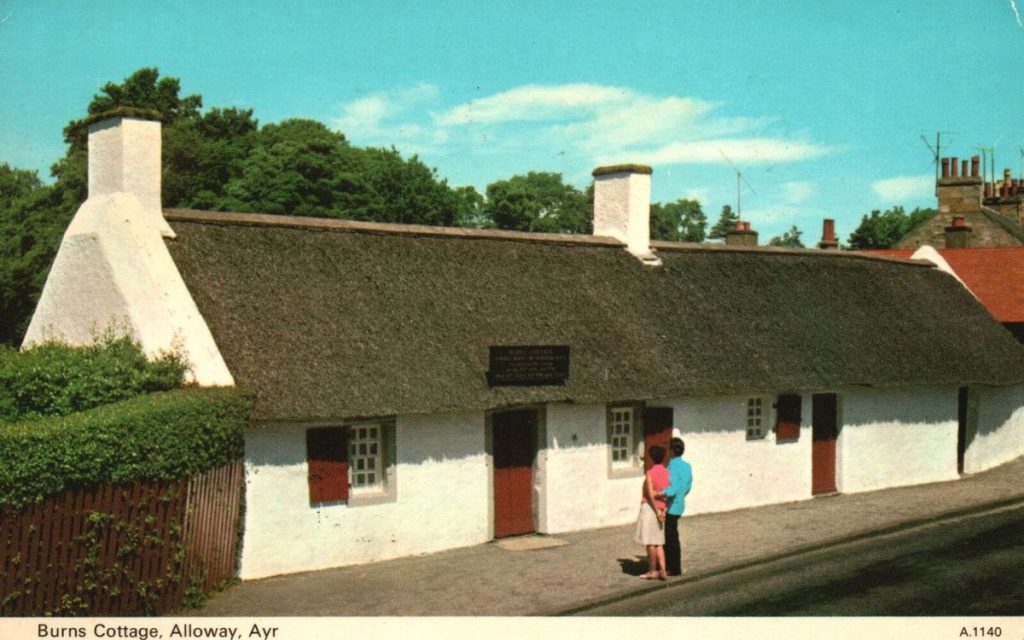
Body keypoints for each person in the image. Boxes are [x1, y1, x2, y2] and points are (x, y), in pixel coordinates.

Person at [633, 445, 669, 580]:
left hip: (650, 508)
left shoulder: (650, 473)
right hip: (661, 508)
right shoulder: (667, 472)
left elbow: (649, 495)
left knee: (650, 542)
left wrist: (656, 511)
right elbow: (668, 494)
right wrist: (663, 510)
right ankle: (663, 570)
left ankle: (652, 570)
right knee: (659, 542)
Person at [660, 436, 693, 576]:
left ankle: (673, 567)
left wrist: (661, 493)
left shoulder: (672, 467)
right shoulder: (686, 466)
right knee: (673, 535)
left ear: (672, 451)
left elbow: (672, 489)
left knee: (670, 538)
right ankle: (674, 565)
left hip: (672, 506)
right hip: (680, 504)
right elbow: (687, 486)